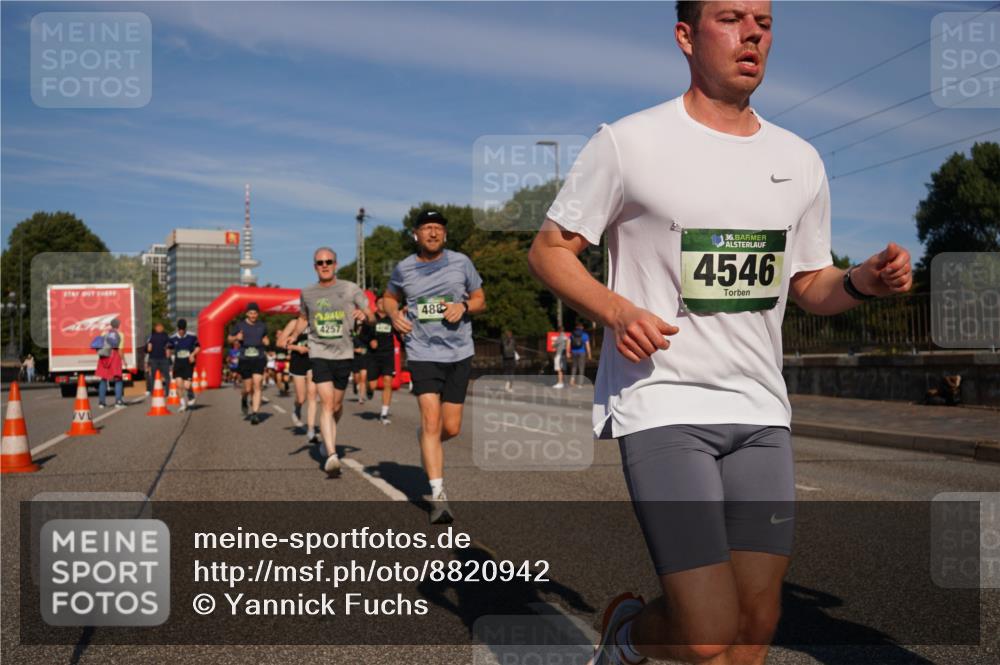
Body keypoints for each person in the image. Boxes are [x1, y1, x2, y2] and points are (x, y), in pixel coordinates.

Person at [526, 3, 913, 664]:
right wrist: (619, 311)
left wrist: (858, 284)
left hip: (761, 409)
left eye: (763, 19)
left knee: (755, 620)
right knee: (706, 628)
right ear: (686, 36)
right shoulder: (629, 142)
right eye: (731, 17)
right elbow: (549, 251)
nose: (753, 32)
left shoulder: (799, 158)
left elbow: (808, 282)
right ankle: (624, 636)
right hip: (664, 402)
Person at [383, 209, 486, 523]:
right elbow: (389, 297)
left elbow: (481, 298)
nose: (432, 233)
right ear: (416, 234)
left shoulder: (461, 263)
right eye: (426, 228)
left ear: (445, 234)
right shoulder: (404, 268)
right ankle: (439, 498)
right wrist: (393, 314)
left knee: (450, 428)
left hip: (459, 352)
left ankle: (427, 438)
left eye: (438, 228)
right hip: (422, 350)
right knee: (431, 419)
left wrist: (463, 305)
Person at [287, 248, 373, 477]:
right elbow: (304, 318)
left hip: (343, 354)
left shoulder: (349, 288)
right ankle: (332, 454)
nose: (324, 265)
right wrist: (294, 335)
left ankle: (328, 437)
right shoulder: (307, 292)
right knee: (325, 403)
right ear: (314, 266)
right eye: (319, 262)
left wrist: (365, 316)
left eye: (328, 261)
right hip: (319, 353)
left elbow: (371, 313)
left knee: (336, 406)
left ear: (335, 264)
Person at [228, 303, 270, 425]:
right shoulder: (240, 325)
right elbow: (229, 338)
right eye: (251, 313)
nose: (253, 315)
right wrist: (236, 336)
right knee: (247, 388)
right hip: (245, 359)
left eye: (255, 313)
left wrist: (266, 341)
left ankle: (255, 414)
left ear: (258, 314)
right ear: (247, 313)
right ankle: (244, 398)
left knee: (257, 385)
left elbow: (265, 337)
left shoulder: (262, 326)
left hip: (259, 358)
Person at [279, 321, 319, 441]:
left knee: (312, 394)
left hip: (314, 360)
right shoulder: (294, 323)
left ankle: (311, 430)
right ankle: (297, 407)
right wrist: (297, 348)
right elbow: (280, 343)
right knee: (301, 398)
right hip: (298, 360)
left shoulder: (318, 320)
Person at [366, 296, 400, 425]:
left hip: (387, 355)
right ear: (375, 305)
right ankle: (369, 390)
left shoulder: (392, 319)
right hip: (373, 356)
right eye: (380, 302)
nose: (382, 304)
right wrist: (370, 340)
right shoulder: (371, 319)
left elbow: (399, 334)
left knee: (388, 382)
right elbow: (362, 335)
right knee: (373, 385)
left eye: (384, 302)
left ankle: (384, 413)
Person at [166, 319, 200, 411]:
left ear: (185, 328)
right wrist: (168, 356)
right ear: (178, 328)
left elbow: (198, 347)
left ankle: (191, 394)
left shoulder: (192, 337)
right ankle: (182, 404)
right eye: (180, 329)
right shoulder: (173, 338)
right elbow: (168, 348)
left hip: (188, 364)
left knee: (187, 386)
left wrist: (193, 354)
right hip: (178, 364)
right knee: (178, 385)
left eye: (183, 329)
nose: (181, 331)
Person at [95, 318, 126, 408]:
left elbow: (100, 346)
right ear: (118, 325)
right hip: (115, 357)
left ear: (111, 325)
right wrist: (124, 360)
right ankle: (118, 401)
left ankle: (101, 402)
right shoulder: (120, 334)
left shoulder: (104, 333)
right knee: (118, 379)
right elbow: (120, 350)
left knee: (104, 379)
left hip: (104, 358)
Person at [145, 322, 171, 397]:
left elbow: (149, 348)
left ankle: (154, 392)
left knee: (153, 376)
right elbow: (168, 347)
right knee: (167, 376)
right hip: (163, 359)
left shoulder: (152, 336)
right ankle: (168, 392)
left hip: (153, 359)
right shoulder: (166, 336)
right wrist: (168, 357)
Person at [351, 317, 371, 403]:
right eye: (358, 321)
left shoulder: (367, 330)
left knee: (363, 378)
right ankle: (355, 384)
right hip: (355, 356)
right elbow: (348, 344)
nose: (360, 322)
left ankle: (361, 397)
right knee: (356, 378)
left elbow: (370, 342)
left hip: (364, 356)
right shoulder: (352, 331)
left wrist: (365, 350)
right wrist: (355, 350)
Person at [568, 322, 592, 388]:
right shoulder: (585, 335)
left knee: (574, 367)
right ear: (582, 327)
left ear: (576, 327)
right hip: (582, 352)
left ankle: (572, 381)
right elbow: (587, 345)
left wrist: (568, 352)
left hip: (574, 352)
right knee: (581, 367)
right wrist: (589, 354)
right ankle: (580, 384)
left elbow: (568, 343)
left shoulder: (572, 335)